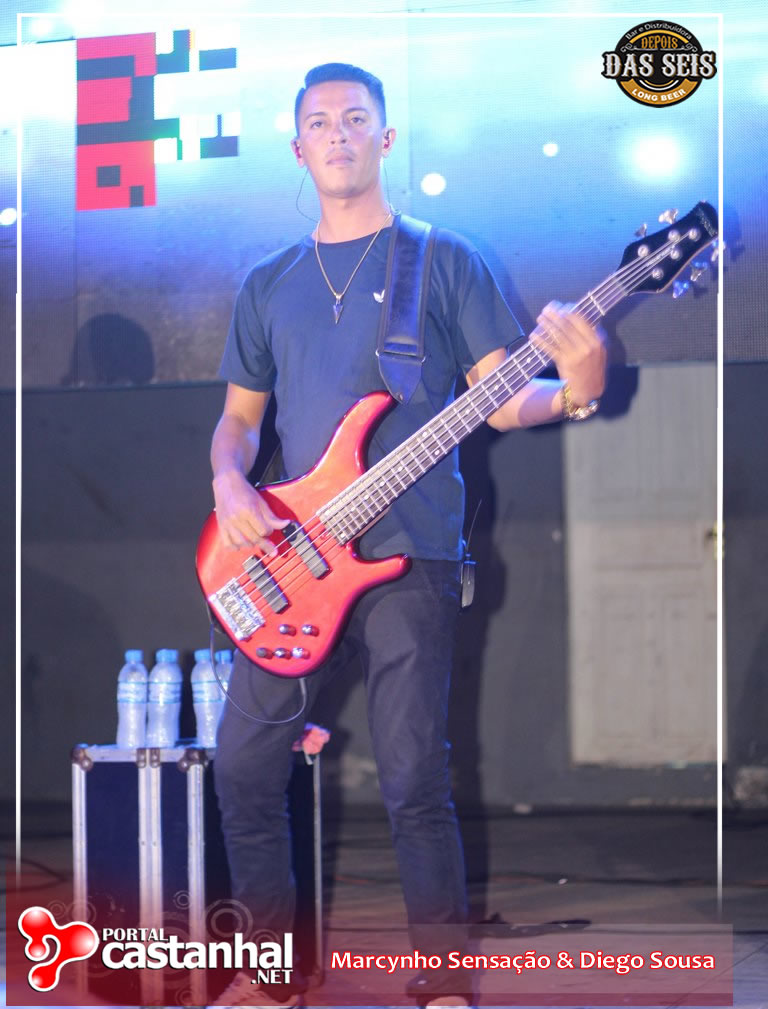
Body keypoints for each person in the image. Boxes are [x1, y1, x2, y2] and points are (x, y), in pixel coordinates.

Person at [209, 63, 606, 1009]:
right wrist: (228, 480)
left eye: (356, 119)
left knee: (412, 778)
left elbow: (502, 399)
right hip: (294, 560)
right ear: (296, 148)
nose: (338, 134)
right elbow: (239, 422)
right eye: (319, 122)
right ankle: (271, 973)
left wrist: (578, 390)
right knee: (243, 769)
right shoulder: (267, 284)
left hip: (410, 554)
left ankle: (441, 981)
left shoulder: (443, 260)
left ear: (385, 140)